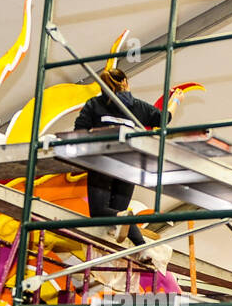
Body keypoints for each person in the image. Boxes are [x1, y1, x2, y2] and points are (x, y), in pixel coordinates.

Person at [73, 67, 181, 248]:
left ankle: (136, 239)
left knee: (101, 213)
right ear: (125, 82)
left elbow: (79, 132)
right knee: (118, 214)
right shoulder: (138, 106)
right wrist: (176, 99)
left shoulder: (94, 104)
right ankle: (141, 248)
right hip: (129, 166)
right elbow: (164, 118)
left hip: (103, 162)